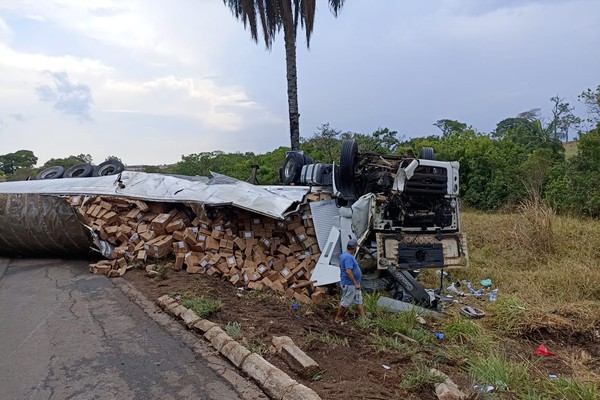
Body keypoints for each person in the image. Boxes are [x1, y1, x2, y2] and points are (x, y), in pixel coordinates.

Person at [335, 239, 366, 323]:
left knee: (358, 301)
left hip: (354, 284)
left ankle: (363, 319)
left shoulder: (344, 255)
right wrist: (355, 283)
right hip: (350, 284)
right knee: (346, 301)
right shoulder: (348, 257)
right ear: (354, 249)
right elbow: (348, 271)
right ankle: (338, 317)